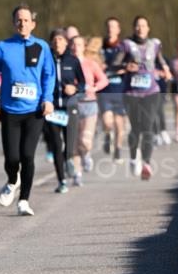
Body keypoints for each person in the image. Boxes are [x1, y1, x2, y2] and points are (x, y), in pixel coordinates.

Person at [0, 3, 56, 215]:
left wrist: (48, 99)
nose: (22, 23)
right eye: (18, 19)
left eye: (26, 20)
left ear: (33, 24)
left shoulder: (42, 47)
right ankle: (11, 181)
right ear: (13, 22)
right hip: (9, 110)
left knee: (27, 156)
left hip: (34, 111)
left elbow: (49, 75)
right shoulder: (2, 47)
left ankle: (24, 200)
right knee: (12, 158)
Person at [121, 15, 171, 181]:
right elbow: (115, 63)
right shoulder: (127, 45)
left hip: (151, 91)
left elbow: (160, 59)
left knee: (148, 126)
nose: (140, 29)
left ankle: (147, 163)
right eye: (137, 26)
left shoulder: (155, 44)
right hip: (131, 93)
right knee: (136, 128)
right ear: (133, 28)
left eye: (143, 26)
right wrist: (126, 66)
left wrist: (166, 69)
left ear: (148, 28)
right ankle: (134, 157)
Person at [45, 28, 86, 193]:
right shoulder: (46, 60)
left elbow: (83, 84)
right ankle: (61, 181)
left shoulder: (73, 60)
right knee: (56, 144)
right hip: (53, 109)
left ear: (66, 42)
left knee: (70, 144)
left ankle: (69, 158)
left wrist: (75, 88)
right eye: (54, 40)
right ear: (51, 43)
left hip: (70, 107)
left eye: (60, 39)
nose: (57, 43)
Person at [71, 36, 108, 186]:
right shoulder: (65, 64)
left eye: (78, 44)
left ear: (84, 46)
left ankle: (86, 154)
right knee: (73, 142)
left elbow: (104, 80)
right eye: (72, 44)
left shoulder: (90, 64)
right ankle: (77, 173)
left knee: (85, 140)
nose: (75, 47)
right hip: (72, 106)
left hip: (89, 104)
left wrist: (94, 88)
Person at [98, 17, 128, 163]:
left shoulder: (124, 47)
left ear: (118, 29)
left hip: (120, 91)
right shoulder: (100, 47)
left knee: (119, 124)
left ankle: (117, 151)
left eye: (114, 26)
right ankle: (107, 135)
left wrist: (123, 69)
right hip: (105, 91)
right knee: (107, 122)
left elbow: (130, 66)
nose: (111, 29)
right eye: (109, 26)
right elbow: (94, 63)